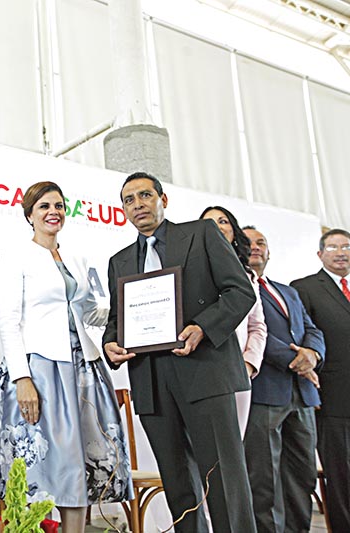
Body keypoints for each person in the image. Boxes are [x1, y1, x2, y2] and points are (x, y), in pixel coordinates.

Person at [102, 172, 256, 533]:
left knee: (224, 482)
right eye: (129, 199)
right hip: (151, 382)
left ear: (163, 200)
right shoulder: (119, 261)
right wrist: (111, 343)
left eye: (144, 195)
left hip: (205, 371)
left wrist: (203, 327)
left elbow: (239, 292)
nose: (137, 204)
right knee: (178, 487)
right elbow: (115, 320)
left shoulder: (201, 235)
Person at [0, 181, 132, 533]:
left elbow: (88, 311)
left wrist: (131, 310)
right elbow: (8, 321)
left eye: (59, 205)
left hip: (82, 368)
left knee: (77, 462)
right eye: (44, 206)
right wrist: (22, 379)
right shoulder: (17, 256)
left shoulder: (76, 259)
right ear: (30, 215)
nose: (54, 212)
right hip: (39, 370)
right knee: (42, 463)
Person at [240, 226, 323, 533]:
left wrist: (312, 355)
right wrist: (296, 361)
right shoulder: (236, 287)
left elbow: (312, 329)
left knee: (303, 476)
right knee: (265, 481)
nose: (256, 247)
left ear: (269, 251)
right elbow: (258, 334)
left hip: (301, 396)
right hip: (264, 393)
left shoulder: (288, 291)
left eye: (262, 242)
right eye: (248, 242)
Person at [291, 228, 350, 532]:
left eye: (346, 246)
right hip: (333, 397)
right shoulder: (305, 288)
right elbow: (303, 334)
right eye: (333, 247)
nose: (341, 252)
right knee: (341, 476)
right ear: (320, 254)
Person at [199, 206, 267, 436]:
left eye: (223, 221)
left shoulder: (249, 276)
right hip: (202, 369)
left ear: (234, 231)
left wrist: (248, 364)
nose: (216, 226)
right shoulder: (190, 270)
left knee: (234, 446)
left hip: (238, 373)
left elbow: (257, 326)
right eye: (208, 222)